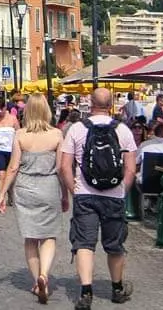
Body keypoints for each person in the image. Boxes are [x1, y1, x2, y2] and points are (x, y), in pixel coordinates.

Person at [59, 87, 137, 309]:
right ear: (111, 105)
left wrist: (75, 191)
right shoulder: (123, 130)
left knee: (84, 242)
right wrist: (122, 191)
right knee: (115, 244)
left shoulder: (76, 129)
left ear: (90, 103)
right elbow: (131, 169)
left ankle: (86, 291)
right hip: (114, 195)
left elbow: (64, 166)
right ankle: (117, 288)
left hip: (85, 194)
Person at [0, 94, 69, 305]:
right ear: (47, 110)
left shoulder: (20, 134)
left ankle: (38, 280)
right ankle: (45, 275)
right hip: (48, 188)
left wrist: (2, 193)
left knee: (30, 238)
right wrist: (65, 195)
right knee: (49, 236)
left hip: (25, 189)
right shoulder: (57, 134)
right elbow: (60, 169)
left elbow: (13, 167)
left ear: (27, 111)